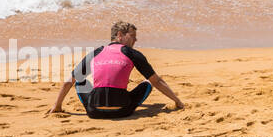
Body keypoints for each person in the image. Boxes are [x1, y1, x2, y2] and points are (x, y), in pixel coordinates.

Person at [46, 22, 184, 118]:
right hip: (123, 111)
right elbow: (157, 81)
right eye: (132, 36)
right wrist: (177, 101)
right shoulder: (132, 53)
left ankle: (95, 103)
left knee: (80, 81)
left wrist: (57, 106)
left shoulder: (95, 53)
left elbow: (68, 83)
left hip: (94, 112)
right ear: (119, 35)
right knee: (148, 82)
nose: (136, 39)